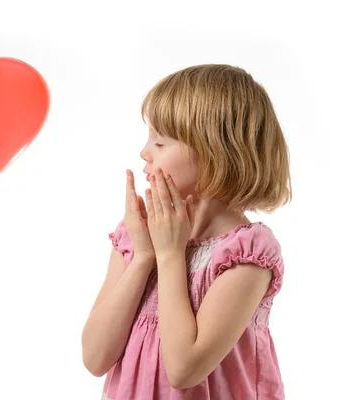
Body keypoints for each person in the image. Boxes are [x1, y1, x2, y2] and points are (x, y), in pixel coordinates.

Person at [81, 64, 292, 399]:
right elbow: (94, 358)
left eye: (160, 143)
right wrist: (143, 258)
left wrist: (169, 255)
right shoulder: (138, 236)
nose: (144, 153)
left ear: (214, 154)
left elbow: (183, 369)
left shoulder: (245, 255)